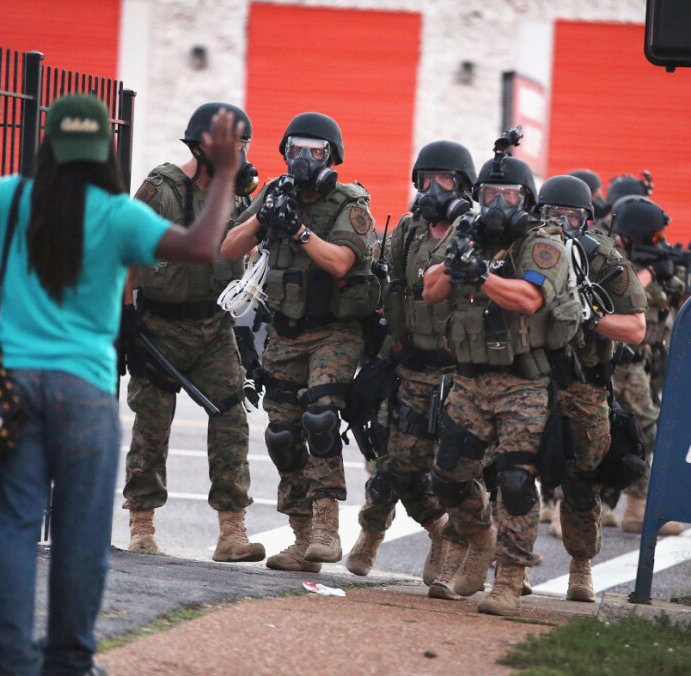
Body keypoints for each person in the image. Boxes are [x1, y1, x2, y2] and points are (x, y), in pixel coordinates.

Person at [0, 78, 244, 676]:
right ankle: (70, 662)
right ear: (106, 151)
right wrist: (227, 171)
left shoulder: (13, 199)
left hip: (15, 388)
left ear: (47, 146)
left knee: (16, 530)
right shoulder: (118, 214)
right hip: (85, 393)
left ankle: (9, 662)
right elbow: (204, 246)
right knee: (80, 537)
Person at [422, 148, 580, 616]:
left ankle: (509, 580)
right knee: (447, 477)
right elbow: (430, 292)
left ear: (525, 198)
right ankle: (481, 535)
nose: (495, 203)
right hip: (470, 381)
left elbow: (529, 299)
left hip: (523, 384)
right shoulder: (468, 237)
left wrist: (482, 275)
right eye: (488, 193)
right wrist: (459, 263)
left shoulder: (542, 243)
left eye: (506, 194)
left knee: (515, 480)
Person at [221, 112, 379, 572]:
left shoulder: (348, 203)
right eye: (295, 150)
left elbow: (341, 263)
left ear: (332, 156)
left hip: (334, 330)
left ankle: (328, 529)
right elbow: (228, 248)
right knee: (282, 433)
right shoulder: (275, 193)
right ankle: (302, 535)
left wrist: (298, 231)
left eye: (315, 150)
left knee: (320, 416)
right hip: (285, 332)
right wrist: (264, 219)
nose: (304, 159)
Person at [120, 102, 265, 562]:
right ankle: (142, 525)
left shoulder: (236, 197)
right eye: (233, 145)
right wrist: (124, 317)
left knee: (231, 420)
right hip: (158, 325)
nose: (240, 155)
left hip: (214, 326)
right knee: (151, 426)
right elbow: (124, 249)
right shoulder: (160, 190)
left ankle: (232, 531)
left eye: (243, 146)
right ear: (204, 146)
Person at [345, 140, 476, 582]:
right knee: (395, 467)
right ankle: (380, 534)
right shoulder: (409, 229)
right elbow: (392, 288)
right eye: (426, 179)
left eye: (444, 180)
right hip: (411, 365)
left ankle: (465, 552)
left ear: (463, 185)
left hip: (460, 373)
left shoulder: (473, 232)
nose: (433, 188)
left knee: (457, 472)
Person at [536, 175, 647, 601]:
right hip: (529, 377)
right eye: (552, 215)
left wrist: (589, 316)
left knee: (583, 480)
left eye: (572, 216)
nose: (562, 224)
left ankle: (580, 568)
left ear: (587, 219)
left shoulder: (602, 257)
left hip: (585, 382)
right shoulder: (524, 248)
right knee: (511, 473)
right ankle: (510, 569)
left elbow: (635, 328)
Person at [609, 195, 686, 536]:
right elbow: (616, 293)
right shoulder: (607, 256)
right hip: (608, 362)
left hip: (637, 363)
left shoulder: (653, 261)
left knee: (643, 432)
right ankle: (566, 508)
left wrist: (669, 275)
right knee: (592, 432)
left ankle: (637, 508)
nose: (660, 243)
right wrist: (651, 273)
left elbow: (675, 302)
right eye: (654, 237)